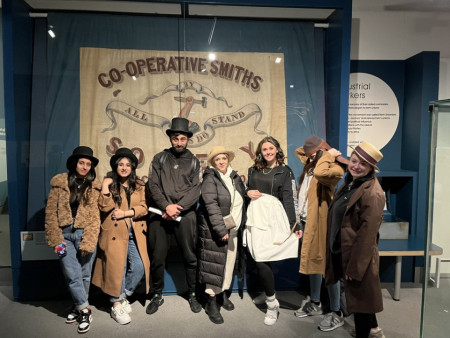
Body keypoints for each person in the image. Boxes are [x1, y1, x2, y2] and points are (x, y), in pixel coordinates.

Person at [324, 141, 385, 337]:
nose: (356, 166)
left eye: (363, 164)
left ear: (371, 169)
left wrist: (356, 267)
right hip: (344, 250)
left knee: (360, 302)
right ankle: (374, 329)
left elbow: (367, 235)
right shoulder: (351, 181)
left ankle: (364, 333)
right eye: (355, 161)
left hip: (357, 257)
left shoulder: (373, 193)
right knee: (363, 297)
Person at [146, 117, 202, 315]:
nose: (179, 142)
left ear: (188, 139)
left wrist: (178, 207)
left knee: (190, 256)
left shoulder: (194, 162)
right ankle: (156, 294)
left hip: (185, 215)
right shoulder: (159, 158)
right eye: (176, 138)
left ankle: (193, 294)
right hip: (160, 214)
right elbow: (152, 185)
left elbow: (196, 189)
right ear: (170, 138)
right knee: (157, 257)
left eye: (182, 139)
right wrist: (166, 206)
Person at [45, 146, 101, 334]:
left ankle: (78, 306)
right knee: (71, 273)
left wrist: (89, 241)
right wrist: (55, 239)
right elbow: (51, 213)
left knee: (85, 274)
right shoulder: (59, 184)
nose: (85, 166)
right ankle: (85, 310)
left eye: (88, 164)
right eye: (81, 162)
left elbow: (95, 217)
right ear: (74, 163)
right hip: (64, 234)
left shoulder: (93, 187)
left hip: (84, 233)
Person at [246, 136, 300, 326]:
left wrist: (295, 224)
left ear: (277, 149)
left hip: (274, 218)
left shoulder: (285, 171)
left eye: (271, 148)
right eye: (264, 149)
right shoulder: (253, 169)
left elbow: (290, 198)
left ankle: (271, 304)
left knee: (263, 260)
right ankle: (270, 295)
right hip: (255, 216)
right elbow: (249, 190)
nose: (267, 152)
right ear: (260, 152)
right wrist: (248, 192)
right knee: (258, 258)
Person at [92, 147, 150, 325]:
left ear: (132, 167)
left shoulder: (139, 185)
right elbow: (103, 206)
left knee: (140, 267)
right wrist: (105, 186)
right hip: (115, 233)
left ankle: (124, 295)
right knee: (117, 269)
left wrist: (126, 213)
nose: (124, 168)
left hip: (135, 233)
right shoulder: (108, 183)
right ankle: (116, 304)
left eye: (128, 165)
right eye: (121, 164)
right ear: (115, 166)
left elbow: (144, 207)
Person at [293, 136, 347, 321]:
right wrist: (316, 153)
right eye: (309, 155)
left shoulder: (333, 168)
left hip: (323, 225)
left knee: (328, 267)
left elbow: (321, 174)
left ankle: (335, 310)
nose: (309, 158)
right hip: (308, 223)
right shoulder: (309, 167)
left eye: (314, 154)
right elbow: (300, 152)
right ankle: (315, 302)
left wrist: (327, 154)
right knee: (312, 263)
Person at [197, 146, 246, 324]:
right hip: (218, 231)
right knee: (215, 266)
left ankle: (222, 295)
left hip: (234, 230)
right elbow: (211, 205)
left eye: (223, 158)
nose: (221, 161)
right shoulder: (210, 178)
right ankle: (211, 303)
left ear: (228, 159)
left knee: (229, 264)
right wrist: (220, 229)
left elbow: (241, 198)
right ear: (213, 162)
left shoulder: (234, 177)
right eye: (217, 159)